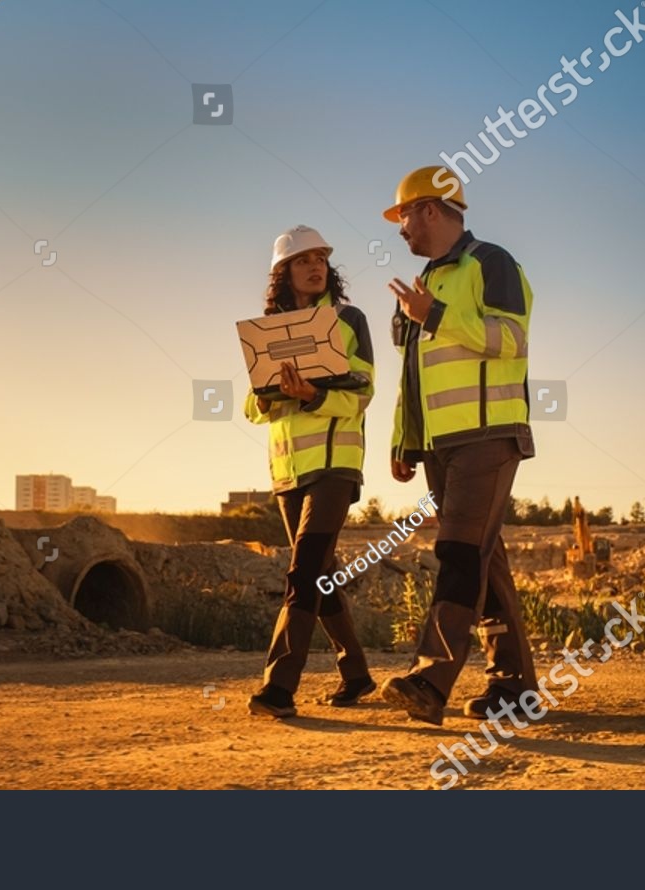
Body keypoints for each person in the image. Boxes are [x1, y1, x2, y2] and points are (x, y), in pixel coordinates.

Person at [377, 166, 539, 726]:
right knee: (485, 562)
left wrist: (435, 317)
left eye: (403, 216)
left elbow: (511, 340)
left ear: (428, 209)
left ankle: (429, 679)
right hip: (441, 444)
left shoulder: (490, 263)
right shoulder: (425, 285)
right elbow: (414, 377)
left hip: (488, 436)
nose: (400, 230)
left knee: (459, 554)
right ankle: (514, 688)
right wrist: (405, 441)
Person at [244, 225, 378, 718]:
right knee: (322, 576)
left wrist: (312, 395)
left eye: (321, 257)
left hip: (336, 465)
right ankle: (357, 674)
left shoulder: (349, 319)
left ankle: (278, 687)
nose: (316, 265)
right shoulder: (267, 329)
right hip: (287, 471)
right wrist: (265, 396)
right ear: (284, 273)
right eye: (304, 260)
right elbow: (252, 408)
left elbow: (363, 392)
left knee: (303, 572)